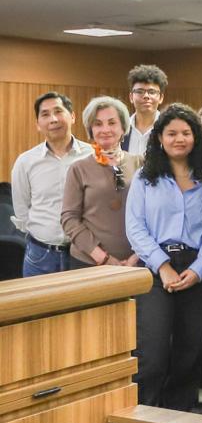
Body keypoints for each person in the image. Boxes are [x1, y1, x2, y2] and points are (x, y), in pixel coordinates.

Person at [125, 103, 202, 411]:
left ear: (196, 137)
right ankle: (143, 418)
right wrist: (161, 266)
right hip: (154, 272)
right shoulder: (144, 177)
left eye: (186, 133)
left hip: (197, 273)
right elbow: (135, 227)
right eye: (172, 133)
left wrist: (200, 269)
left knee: (189, 356)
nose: (179, 139)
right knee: (153, 355)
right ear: (159, 138)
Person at [11, 92, 94, 276]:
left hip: (84, 255)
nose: (53, 119)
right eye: (45, 114)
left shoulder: (93, 156)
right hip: (41, 255)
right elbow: (22, 210)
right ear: (38, 124)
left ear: (72, 117)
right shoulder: (26, 162)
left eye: (59, 111)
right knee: (38, 305)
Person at [62, 96, 142, 270]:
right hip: (89, 263)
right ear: (91, 129)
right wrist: (104, 258)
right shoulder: (78, 169)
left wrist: (138, 256)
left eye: (112, 123)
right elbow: (69, 219)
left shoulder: (141, 164)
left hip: (137, 262)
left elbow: (154, 216)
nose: (105, 129)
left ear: (123, 127)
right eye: (98, 124)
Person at [122, 64, 168, 156]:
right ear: (131, 97)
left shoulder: (168, 127)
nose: (146, 96)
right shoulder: (121, 129)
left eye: (152, 92)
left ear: (161, 98)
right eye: (140, 92)